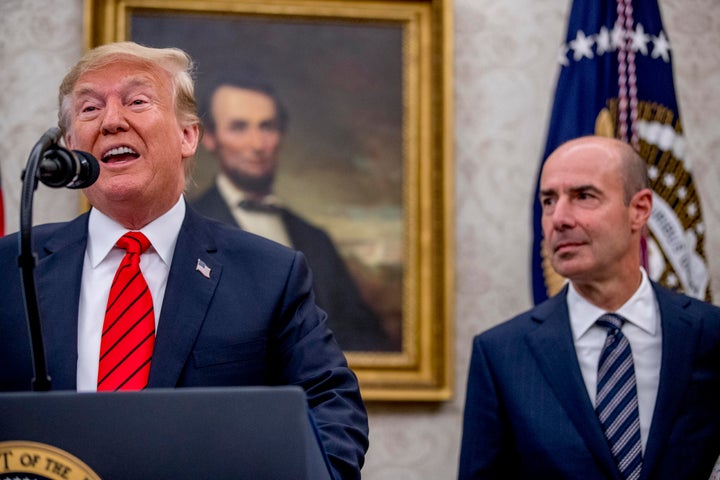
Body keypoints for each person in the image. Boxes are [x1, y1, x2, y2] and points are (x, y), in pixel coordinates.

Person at [0, 42, 368, 480]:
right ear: (69, 148)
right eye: (89, 108)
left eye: (137, 101)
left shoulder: (270, 274)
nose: (112, 121)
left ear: (188, 135)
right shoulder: (12, 266)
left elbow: (333, 411)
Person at [458, 136, 720, 479]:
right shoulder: (501, 354)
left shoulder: (709, 334)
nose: (559, 218)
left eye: (584, 196)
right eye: (549, 201)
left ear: (639, 209)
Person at [192, 76, 394, 351]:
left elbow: (364, 338)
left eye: (267, 127)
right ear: (211, 138)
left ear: (282, 136)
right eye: (239, 127)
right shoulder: (188, 226)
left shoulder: (316, 240)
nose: (257, 144)